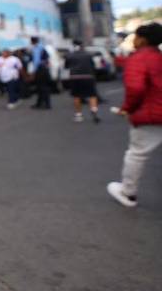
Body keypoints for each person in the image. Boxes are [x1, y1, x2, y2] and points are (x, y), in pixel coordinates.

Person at [107, 23, 162, 208]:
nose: (133, 41)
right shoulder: (158, 57)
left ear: (143, 39)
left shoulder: (139, 59)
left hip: (150, 115)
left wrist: (127, 108)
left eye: (135, 37)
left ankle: (128, 193)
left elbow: (136, 88)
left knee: (137, 154)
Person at [65, 41, 101, 124]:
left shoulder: (70, 55)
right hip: (88, 76)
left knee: (76, 96)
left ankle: (78, 115)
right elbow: (93, 66)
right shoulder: (88, 55)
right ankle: (94, 109)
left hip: (75, 77)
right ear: (82, 46)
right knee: (92, 95)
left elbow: (66, 66)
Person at [29, 36, 52, 110]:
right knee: (39, 87)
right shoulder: (35, 48)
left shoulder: (40, 48)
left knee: (43, 87)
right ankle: (39, 103)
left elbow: (45, 58)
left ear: (33, 41)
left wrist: (43, 66)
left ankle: (47, 104)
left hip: (41, 69)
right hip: (39, 69)